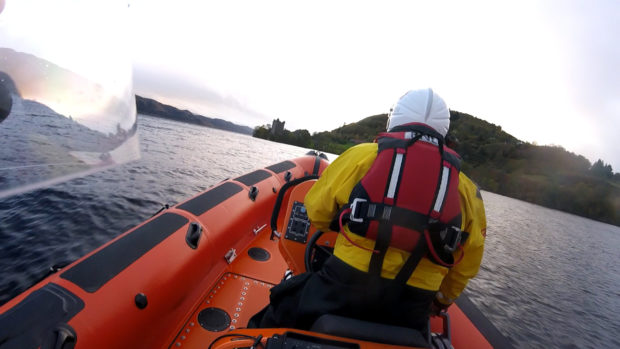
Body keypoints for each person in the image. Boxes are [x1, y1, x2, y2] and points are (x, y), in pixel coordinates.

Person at [253, 88, 486, 334]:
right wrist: (441, 300)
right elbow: (467, 263)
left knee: (279, 307)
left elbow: (316, 213)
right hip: (411, 309)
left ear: (395, 119)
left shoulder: (361, 156)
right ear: (443, 131)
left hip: (342, 287)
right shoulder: (467, 190)